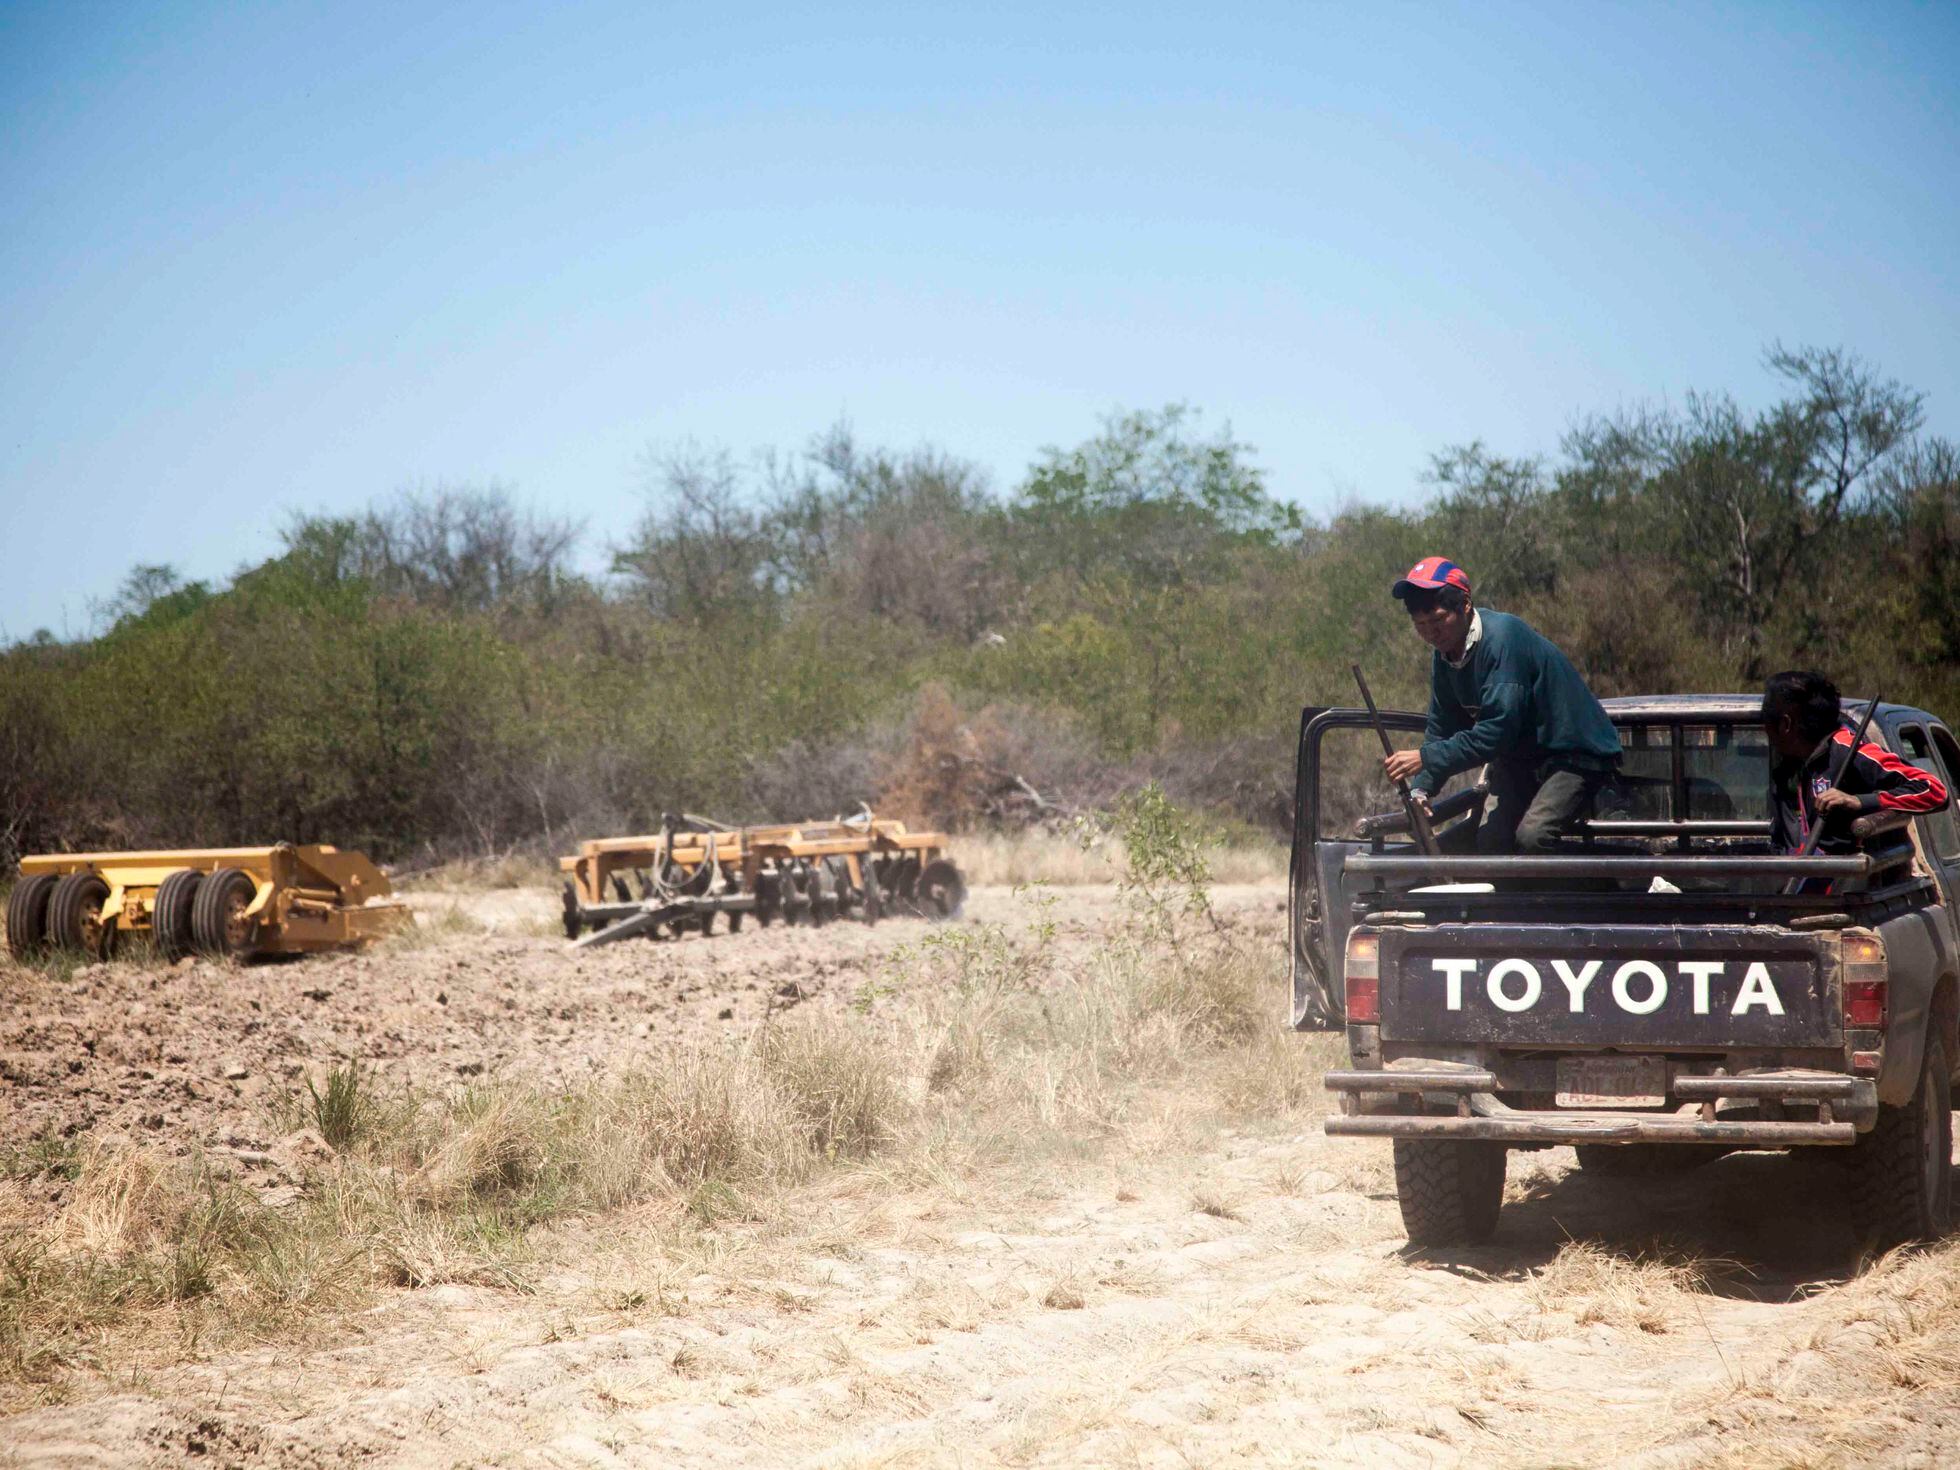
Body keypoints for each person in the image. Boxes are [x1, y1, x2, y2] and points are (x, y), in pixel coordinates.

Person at [1381, 557, 1622, 854]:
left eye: (1438, 620)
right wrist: (1422, 788)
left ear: (1465, 605)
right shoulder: (1444, 655)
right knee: (1492, 842)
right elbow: (1443, 725)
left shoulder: (1503, 639)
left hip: (1573, 756)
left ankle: (1561, 900)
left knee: (1533, 838)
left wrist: (1425, 757)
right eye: (1421, 625)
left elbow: (1496, 733)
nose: (1431, 633)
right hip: (1521, 761)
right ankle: (1508, 901)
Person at [1761, 670, 1947, 855]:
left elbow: (1934, 790)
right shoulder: (1791, 766)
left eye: (1766, 721)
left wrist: (1858, 801)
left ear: (1785, 724)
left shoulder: (1849, 750)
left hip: (1844, 879)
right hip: (1799, 874)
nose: (1765, 730)